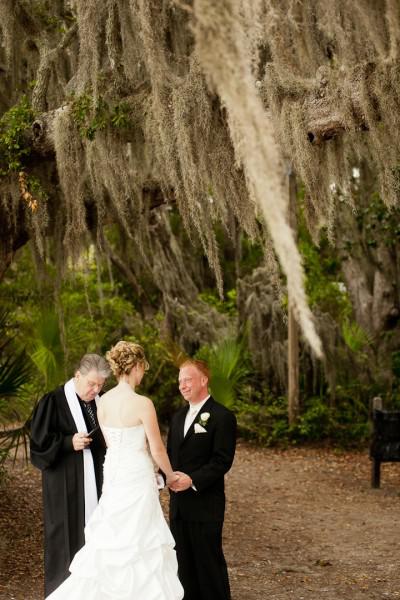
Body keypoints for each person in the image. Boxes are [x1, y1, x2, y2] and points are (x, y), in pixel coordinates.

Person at [46, 340, 184, 600]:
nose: (144, 373)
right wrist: (171, 474)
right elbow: (156, 449)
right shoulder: (143, 404)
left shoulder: (103, 402)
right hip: (137, 475)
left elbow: (110, 445)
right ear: (137, 366)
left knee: (111, 539)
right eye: (143, 367)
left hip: (114, 477)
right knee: (141, 540)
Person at [30, 353, 111, 597]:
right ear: (77, 375)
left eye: (100, 385)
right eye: (91, 384)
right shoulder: (53, 401)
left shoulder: (102, 401)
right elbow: (38, 445)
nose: (96, 390)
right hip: (64, 482)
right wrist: (67, 443)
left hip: (96, 480)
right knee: (64, 539)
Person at [167, 359, 237, 600]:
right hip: (178, 506)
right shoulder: (177, 417)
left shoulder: (222, 416)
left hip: (206, 503)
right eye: (180, 381)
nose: (182, 385)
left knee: (209, 566)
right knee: (183, 567)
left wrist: (192, 480)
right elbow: (169, 458)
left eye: (187, 379)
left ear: (203, 380)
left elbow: (222, 460)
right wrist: (162, 477)